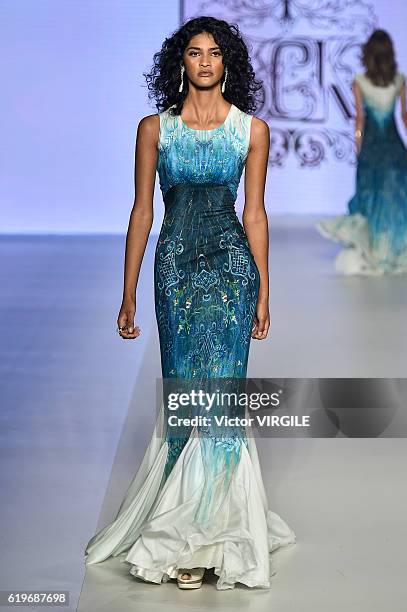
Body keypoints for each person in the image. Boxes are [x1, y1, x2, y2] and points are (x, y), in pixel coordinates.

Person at [84, 16, 296, 591]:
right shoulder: (155, 128)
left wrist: (264, 288)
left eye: (216, 53)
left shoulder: (252, 131)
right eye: (195, 52)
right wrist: (127, 291)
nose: (205, 62)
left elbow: (254, 213)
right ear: (180, 61)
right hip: (176, 268)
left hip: (230, 269)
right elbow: (142, 214)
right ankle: (182, 529)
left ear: (228, 63)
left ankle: (212, 534)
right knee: (183, 386)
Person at [316, 29, 407, 275]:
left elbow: (360, 120)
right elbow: (404, 118)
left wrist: (359, 147)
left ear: (368, 53)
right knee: (396, 198)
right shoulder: (399, 80)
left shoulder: (360, 81)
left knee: (371, 196)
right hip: (395, 147)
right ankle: (394, 250)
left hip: (372, 148)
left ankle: (376, 250)